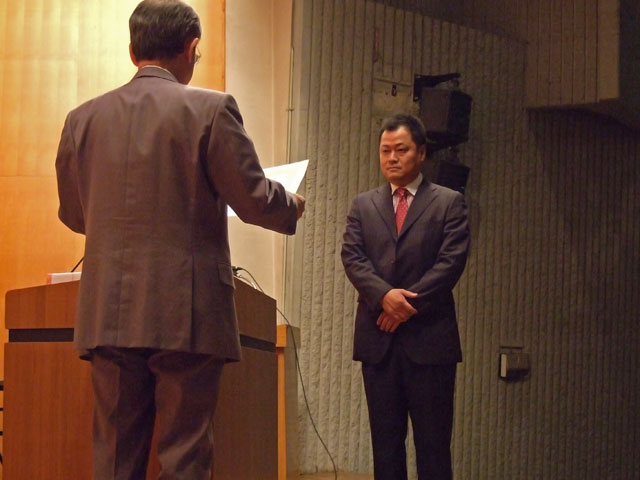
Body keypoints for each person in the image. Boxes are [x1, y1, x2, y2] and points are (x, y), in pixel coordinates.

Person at [55, 1, 305, 478]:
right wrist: (291, 204)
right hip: (186, 313)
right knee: (184, 457)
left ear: (133, 51)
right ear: (191, 49)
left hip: (108, 312)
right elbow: (254, 199)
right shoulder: (210, 110)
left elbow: (73, 213)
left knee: (113, 459)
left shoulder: (81, 119)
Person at [341, 113, 469, 479]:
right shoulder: (363, 205)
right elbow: (352, 257)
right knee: (385, 446)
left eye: (401, 150)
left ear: (422, 153)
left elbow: (451, 262)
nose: (392, 158)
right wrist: (384, 297)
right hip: (379, 343)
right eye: (385, 150)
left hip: (430, 342)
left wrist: (404, 306)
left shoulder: (449, 202)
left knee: (433, 447)